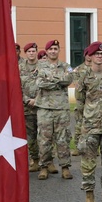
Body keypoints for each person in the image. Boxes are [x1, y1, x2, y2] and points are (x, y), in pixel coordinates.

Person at [75, 41, 102, 202]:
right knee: (88, 163)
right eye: (97, 54)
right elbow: (79, 103)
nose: (100, 57)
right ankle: (89, 196)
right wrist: (79, 129)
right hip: (90, 126)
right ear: (90, 56)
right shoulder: (84, 76)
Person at [35, 39, 73, 180]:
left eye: (55, 49)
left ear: (59, 50)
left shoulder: (66, 66)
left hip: (61, 108)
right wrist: (58, 82)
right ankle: (44, 166)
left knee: (63, 138)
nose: (53, 51)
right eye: (50, 49)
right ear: (46, 51)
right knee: (44, 139)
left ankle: (65, 167)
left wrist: (50, 79)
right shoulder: (40, 66)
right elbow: (40, 83)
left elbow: (68, 79)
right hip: (44, 108)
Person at [19, 43, 41, 171]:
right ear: (25, 53)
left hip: (42, 106)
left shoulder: (43, 67)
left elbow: (45, 85)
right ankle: (35, 160)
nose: (31, 53)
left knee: (44, 136)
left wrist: (37, 99)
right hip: (26, 107)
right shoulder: (20, 68)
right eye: (29, 51)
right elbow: (17, 88)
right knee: (31, 136)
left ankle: (46, 162)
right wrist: (27, 100)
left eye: (33, 51)